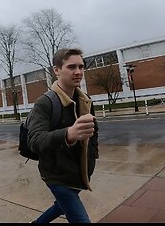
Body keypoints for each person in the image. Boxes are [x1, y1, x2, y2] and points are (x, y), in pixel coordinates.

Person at [27, 48, 99, 223]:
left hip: (80, 173)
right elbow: (35, 141)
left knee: (61, 205)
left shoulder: (85, 99)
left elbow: (93, 133)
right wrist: (68, 134)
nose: (78, 72)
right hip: (57, 176)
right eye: (71, 67)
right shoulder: (45, 102)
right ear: (57, 70)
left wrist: (92, 156)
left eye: (81, 67)